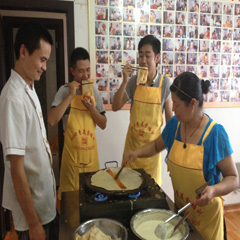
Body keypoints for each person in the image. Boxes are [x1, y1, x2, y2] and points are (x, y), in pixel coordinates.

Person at [123, 72, 239, 240]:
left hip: (207, 222)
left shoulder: (215, 134)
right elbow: (156, 145)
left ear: (192, 103)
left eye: (176, 104)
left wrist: (214, 190)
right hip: (181, 215)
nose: (172, 109)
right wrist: (135, 153)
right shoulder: (175, 125)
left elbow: (233, 177)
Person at [0, 21, 58, 240]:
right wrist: (33, 224)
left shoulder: (29, 87)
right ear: (23, 51)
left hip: (43, 202)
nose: (44, 67)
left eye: (46, 61)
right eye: (42, 60)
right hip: (32, 213)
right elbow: (16, 169)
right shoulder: (13, 98)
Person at [112, 35, 173, 185]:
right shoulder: (134, 81)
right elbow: (115, 107)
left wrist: (173, 154)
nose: (143, 60)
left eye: (147, 55)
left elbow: (171, 123)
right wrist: (125, 80)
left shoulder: (165, 84)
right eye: (140, 55)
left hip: (152, 155)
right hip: (131, 151)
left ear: (157, 57)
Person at [48, 47, 106, 199]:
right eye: (81, 71)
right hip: (71, 164)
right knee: (71, 209)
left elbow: (103, 124)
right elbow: (52, 120)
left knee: (91, 204)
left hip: (91, 162)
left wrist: (92, 109)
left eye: (88, 70)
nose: (85, 75)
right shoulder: (63, 91)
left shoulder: (94, 92)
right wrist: (70, 96)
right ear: (72, 71)